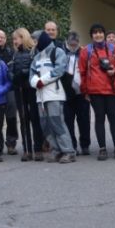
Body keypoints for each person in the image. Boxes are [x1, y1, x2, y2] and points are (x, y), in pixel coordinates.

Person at [79, 23, 115, 161]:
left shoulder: (113, 48)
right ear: (91, 35)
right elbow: (82, 72)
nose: (98, 35)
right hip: (95, 91)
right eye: (95, 32)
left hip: (111, 89)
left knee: (114, 120)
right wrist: (85, 91)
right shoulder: (86, 51)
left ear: (104, 34)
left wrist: (114, 71)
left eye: (100, 32)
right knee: (99, 119)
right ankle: (102, 148)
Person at [30, 31, 76, 163]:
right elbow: (32, 74)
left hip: (55, 95)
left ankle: (68, 151)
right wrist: (35, 82)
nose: (33, 43)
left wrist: (41, 81)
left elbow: (59, 70)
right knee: (45, 125)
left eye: (35, 40)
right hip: (41, 97)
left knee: (57, 123)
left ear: (42, 39)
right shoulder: (36, 56)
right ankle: (56, 150)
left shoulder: (57, 52)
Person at [10, 28, 43, 161]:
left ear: (22, 37)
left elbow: (38, 69)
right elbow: (10, 69)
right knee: (24, 120)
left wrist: (26, 72)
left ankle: (38, 149)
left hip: (32, 89)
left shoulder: (34, 52)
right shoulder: (15, 54)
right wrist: (13, 76)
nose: (14, 41)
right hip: (20, 90)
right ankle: (27, 150)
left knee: (35, 119)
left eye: (16, 38)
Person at [62, 32, 91, 156]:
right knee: (68, 121)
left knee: (84, 120)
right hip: (66, 92)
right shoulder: (61, 53)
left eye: (76, 42)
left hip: (82, 91)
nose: (73, 44)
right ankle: (72, 145)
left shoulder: (84, 52)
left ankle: (85, 145)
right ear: (67, 41)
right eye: (71, 42)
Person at [0, 29, 18, 155]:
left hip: (10, 89)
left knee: (11, 116)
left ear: (5, 39)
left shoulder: (11, 52)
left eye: (2, 37)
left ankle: (11, 143)